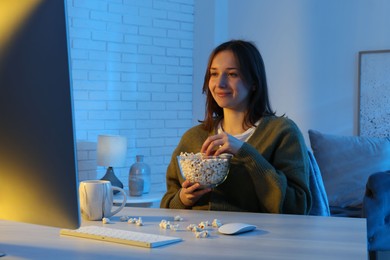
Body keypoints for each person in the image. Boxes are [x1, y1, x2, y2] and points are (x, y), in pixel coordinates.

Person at [160, 40, 312, 214]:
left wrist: (246, 153)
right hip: (198, 236)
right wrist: (183, 199)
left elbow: (298, 208)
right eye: (214, 74)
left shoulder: (282, 133)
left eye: (232, 74)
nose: (220, 83)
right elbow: (167, 204)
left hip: (259, 238)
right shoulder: (193, 138)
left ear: (254, 81)